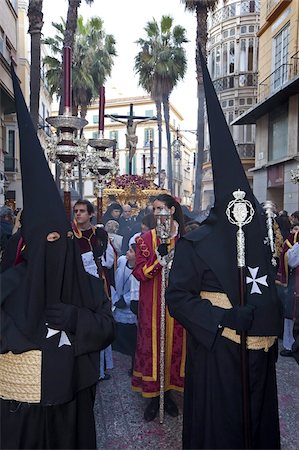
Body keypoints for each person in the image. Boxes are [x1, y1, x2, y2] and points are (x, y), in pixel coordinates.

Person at [166, 48, 281, 450]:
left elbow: (268, 282)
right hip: (220, 357)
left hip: (260, 358)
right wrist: (223, 317)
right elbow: (176, 298)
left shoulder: (260, 233)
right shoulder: (195, 242)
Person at [0, 66, 115, 449]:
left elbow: (106, 327)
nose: (58, 245)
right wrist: (22, 334)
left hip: (70, 408)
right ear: (29, 243)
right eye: (47, 239)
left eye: (63, 238)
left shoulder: (82, 284)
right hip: (17, 415)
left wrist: (77, 318)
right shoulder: (9, 283)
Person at [132, 193, 186, 422]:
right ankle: (154, 397)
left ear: (172, 210)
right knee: (152, 346)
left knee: (174, 345)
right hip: (151, 303)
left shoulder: (184, 238)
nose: (157, 213)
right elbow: (139, 272)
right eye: (154, 209)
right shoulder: (144, 240)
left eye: (161, 208)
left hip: (177, 303)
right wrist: (158, 262)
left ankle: (169, 392)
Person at [73, 199, 115, 381]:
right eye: (76, 211)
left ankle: (101, 367)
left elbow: (107, 260)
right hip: (76, 284)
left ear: (90, 214)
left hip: (97, 283)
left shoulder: (99, 234)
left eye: (82, 211)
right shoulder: (70, 235)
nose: (78, 214)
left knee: (98, 321)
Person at [112, 241, 138, 374]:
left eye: (131, 251)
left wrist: (125, 300)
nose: (127, 252)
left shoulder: (138, 270)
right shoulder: (122, 261)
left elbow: (136, 290)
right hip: (118, 298)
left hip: (128, 305)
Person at [276, 225, 299, 357]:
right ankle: (290, 345)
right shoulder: (294, 240)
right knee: (291, 314)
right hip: (295, 283)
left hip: (296, 283)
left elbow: (291, 259)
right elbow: (291, 260)